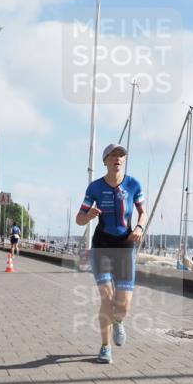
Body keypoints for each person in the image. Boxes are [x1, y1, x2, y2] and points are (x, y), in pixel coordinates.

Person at [74, 143, 146, 364]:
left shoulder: (133, 184)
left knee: (122, 305)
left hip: (125, 246)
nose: (118, 158)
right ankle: (105, 347)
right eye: (113, 155)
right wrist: (90, 215)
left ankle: (118, 322)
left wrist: (139, 228)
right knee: (106, 297)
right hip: (102, 245)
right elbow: (79, 219)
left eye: (121, 155)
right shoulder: (95, 187)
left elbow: (143, 212)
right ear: (105, 160)